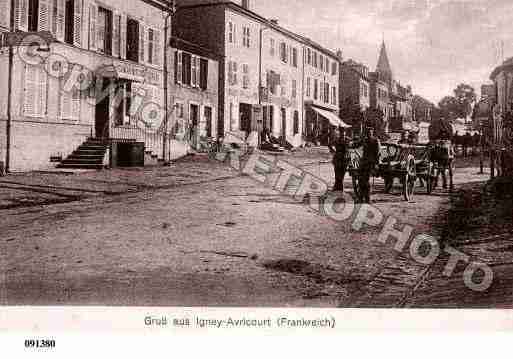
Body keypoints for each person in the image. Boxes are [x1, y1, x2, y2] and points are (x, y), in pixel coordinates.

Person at [359, 128, 381, 203]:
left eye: (370, 132)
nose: (369, 134)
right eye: (368, 133)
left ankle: (367, 199)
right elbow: (357, 145)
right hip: (364, 162)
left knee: (366, 181)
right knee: (361, 180)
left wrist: (376, 163)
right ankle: (361, 198)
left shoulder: (375, 141)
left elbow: (378, 153)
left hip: (371, 163)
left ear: (372, 133)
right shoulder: (364, 140)